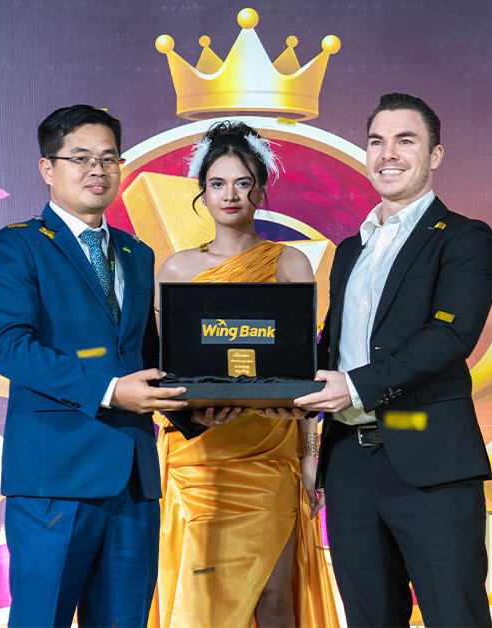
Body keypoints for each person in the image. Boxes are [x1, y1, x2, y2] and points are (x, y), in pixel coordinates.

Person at [0, 104, 202, 628]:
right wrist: (109, 390)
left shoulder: (137, 253)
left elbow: (147, 356)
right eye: (80, 158)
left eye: (108, 158)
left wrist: (197, 409)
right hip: (54, 479)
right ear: (47, 167)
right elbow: (10, 348)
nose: (97, 170)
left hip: (134, 481)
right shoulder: (19, 245)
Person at [296, 93, 492, 627]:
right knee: (368, 619)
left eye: (405, 141)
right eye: (377, 141)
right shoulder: (350, 250)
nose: (388, 153)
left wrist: (354, 386)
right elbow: (331, 349)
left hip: (430, 462)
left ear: (435, 155)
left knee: (455, 616)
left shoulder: (465, 237)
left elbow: (449, 337)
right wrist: (267, 388)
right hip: (348, 466)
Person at [150, 121, 338, 628]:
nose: (230, 194)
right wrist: (191, 415)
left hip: (271, 454)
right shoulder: (175, 270)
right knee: (199, 602)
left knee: (275, 599)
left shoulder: (290, 263)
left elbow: (305, 373)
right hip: (197, 458)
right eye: (217, 183)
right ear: (202, 191)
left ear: (260, 189)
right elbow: (165, 373)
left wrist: (310, 459)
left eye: (242, 182)